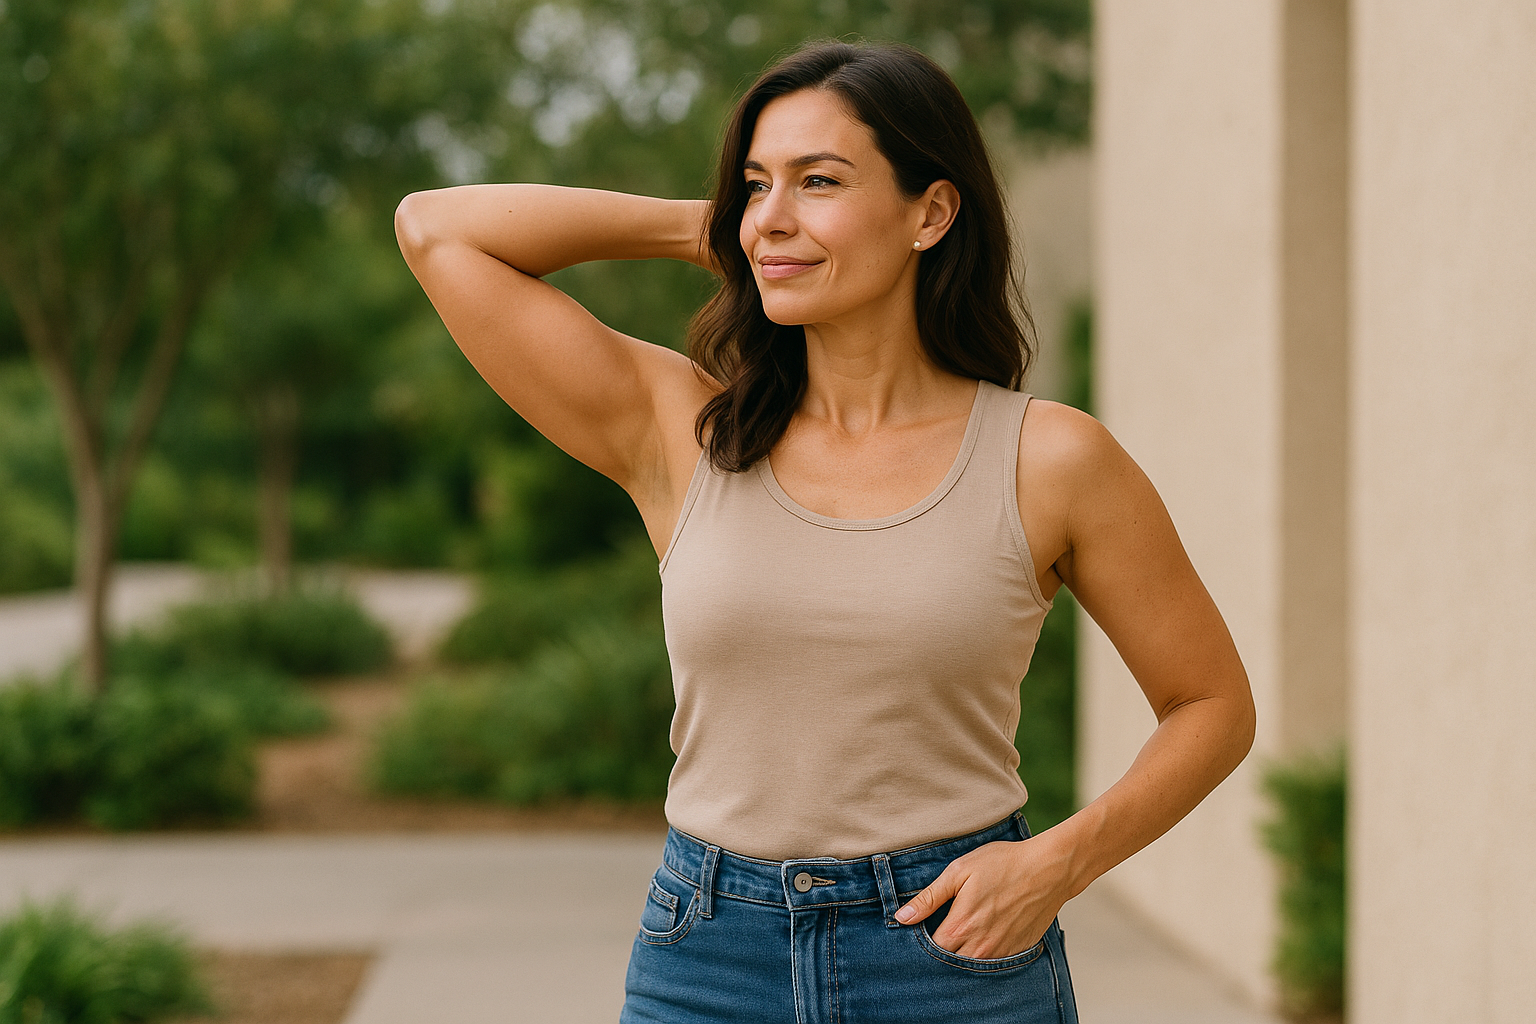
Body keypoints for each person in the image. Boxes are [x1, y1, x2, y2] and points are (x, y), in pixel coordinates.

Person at [396, 39, 1254, 1024]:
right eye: (758, 182)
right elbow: (436, 231)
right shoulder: (682, 429)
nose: (775, 211)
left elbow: (1211, 703)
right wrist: (725, 228)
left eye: (820, 180)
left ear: (931, 212)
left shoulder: (1048, 458)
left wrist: (1056, 862)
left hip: (952, 955)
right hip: (707, 957)